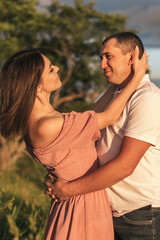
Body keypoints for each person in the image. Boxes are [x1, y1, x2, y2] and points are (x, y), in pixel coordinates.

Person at [0, 46, 147, 240]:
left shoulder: (43, 119)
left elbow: (91, 116)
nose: (58, 69)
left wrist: (116, 85)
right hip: (82, 207)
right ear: (36, 86)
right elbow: (108, 117)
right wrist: (137, 77)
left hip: (75, 200)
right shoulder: (46, 124)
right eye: (51, 69)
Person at [44, 32, 160, 240]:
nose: (101, 64)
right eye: (101, 57)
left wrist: (69, 190)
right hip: (111, 212)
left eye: (108, 56)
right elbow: (83, 127)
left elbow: (125, 165)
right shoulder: (118, 95)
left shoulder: (147, 98)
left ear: (131, 57)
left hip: (140, 215)